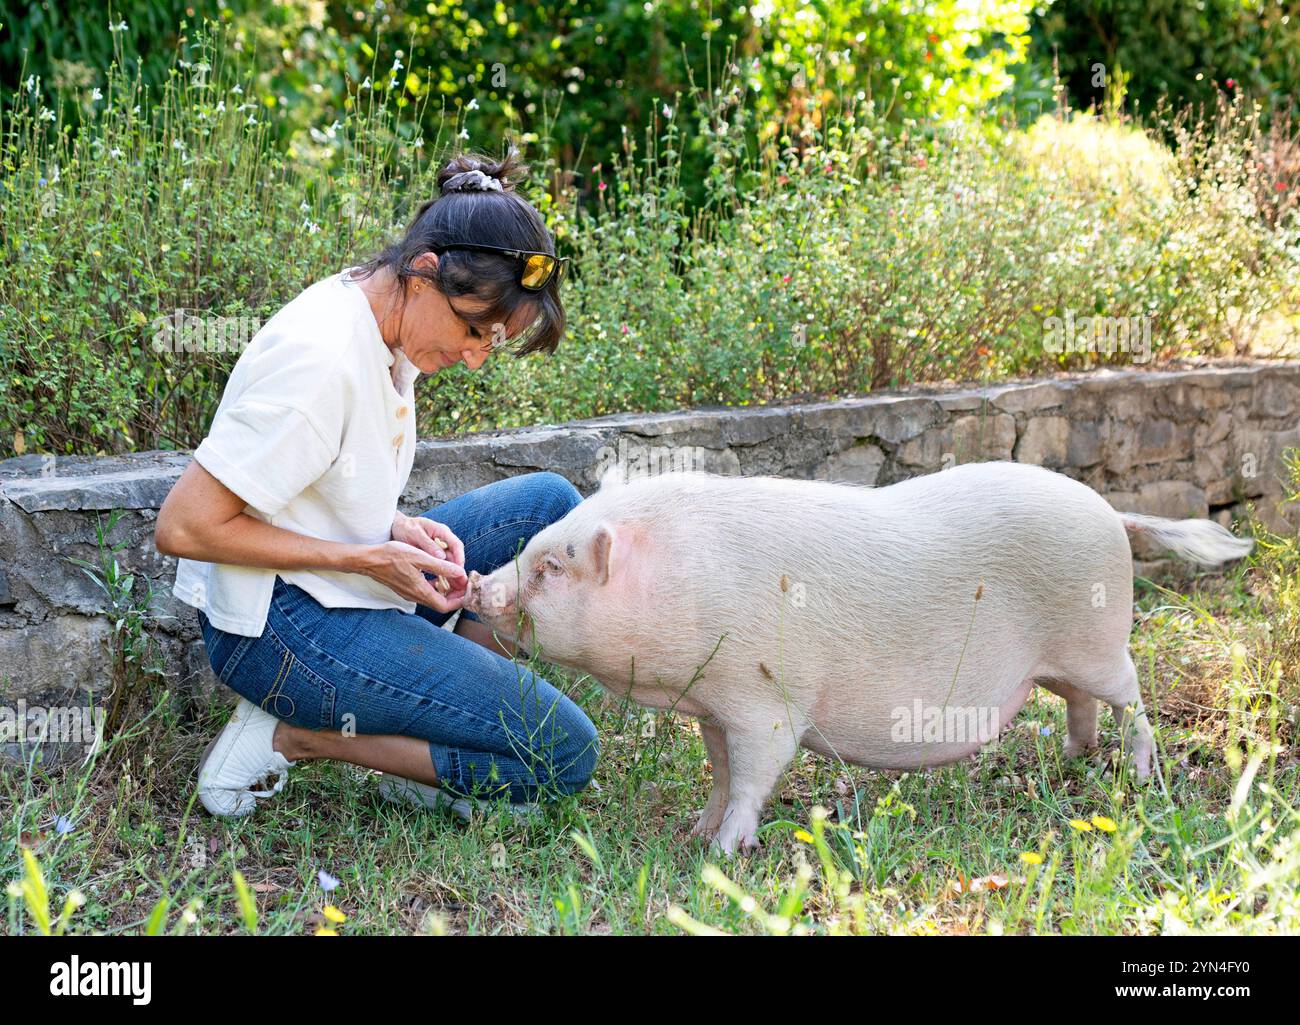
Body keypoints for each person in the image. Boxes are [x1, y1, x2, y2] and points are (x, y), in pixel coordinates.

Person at [154, 151, 599, 819]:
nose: (475, 357)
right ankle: (300, 735)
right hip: (276, 632)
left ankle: (429, 723)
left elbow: (312, 480)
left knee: (550, 510)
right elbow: (183, 528)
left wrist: (394, 527)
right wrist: (365, 558)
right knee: (561, 752)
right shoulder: (322, 360)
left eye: (493, 341)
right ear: (423, 274)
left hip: (328, 589)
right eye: (473, 330)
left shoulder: (385, 315)